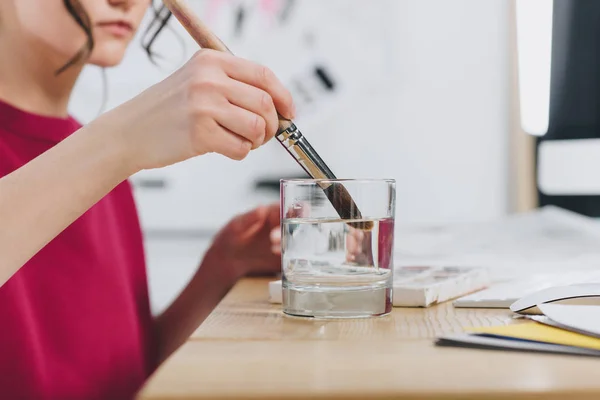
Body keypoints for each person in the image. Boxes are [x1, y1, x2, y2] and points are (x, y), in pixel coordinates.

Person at [0, 0, 294, 398]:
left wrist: (222, 268)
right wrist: (121, 142)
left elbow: (125, 375)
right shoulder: (107, 153)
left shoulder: (103, 165)